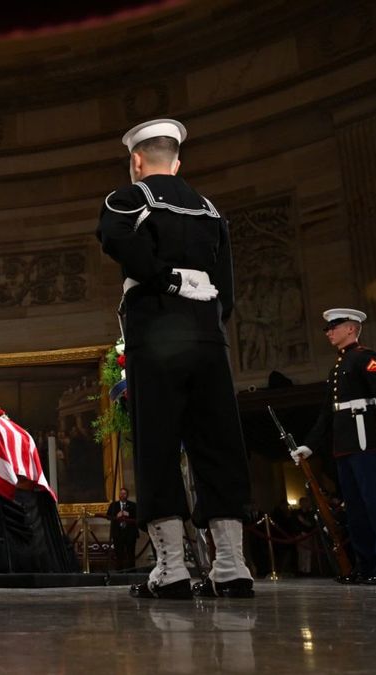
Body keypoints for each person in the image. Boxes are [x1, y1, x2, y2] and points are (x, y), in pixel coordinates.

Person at [96, 118, 253, 599]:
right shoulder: (210, 209)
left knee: (158, 444)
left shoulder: (131, 197)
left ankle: (171, 569)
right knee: (218, 444)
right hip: (208, 337)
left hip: (157, 333)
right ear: (178, 161)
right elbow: (226, 281)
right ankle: (231, 567)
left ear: (136, 161)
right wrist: (207, 312)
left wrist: (164, 281)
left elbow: (115, 238)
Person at [291, 308, 376, 584]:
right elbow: (328, 413)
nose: (329, 332)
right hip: (345, 446)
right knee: (354, 508)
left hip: (366, 443)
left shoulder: (365, 358)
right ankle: (365, 565)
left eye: (334, 327)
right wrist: (309, 446)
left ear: (351, 329)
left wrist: (372, 425)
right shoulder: (338, 366)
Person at [106, 487, 139, 570]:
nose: (122, 495)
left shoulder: (133, 505)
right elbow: (108, 517)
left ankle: (132, 571)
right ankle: (119, 571)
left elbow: (138, 517)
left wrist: (129, 515)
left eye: (124, 493)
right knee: (118, 553)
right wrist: (117, 516)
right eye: (121, 493)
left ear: (127, 495)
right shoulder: (113, 505)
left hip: (130, 533)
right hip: (118, 533)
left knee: (131, 553)